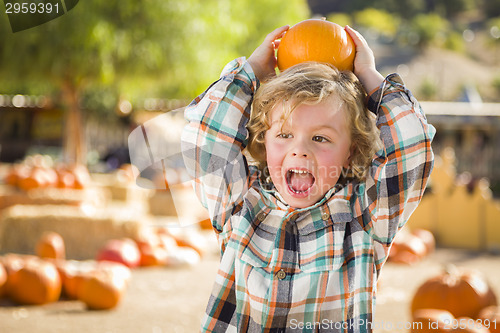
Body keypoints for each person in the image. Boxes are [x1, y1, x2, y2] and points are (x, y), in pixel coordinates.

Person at [181, 24, 435, 332]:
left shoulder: (364, 217)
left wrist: (369, 76)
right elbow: (205, 139)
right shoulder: (238, 203)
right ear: (264, 139)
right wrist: (250, 72)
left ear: (351, 152)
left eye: (320, 138)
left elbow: (412, 146)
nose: (299, 150)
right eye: (284, 135)